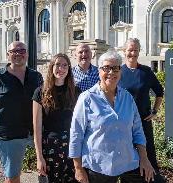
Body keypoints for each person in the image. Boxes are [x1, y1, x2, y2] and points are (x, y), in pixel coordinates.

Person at [69, 50, 155, 183]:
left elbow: (138, 130)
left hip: (128, 162)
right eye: (106, 68)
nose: (111, 72)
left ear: (120, 72)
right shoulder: (87, 98)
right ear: (99, 72)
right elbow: (76, 134)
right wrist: (78, 168)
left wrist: (144, 158)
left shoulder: (127, 97)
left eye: (115, 68)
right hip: (98, 166)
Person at [0, 41, 43, 183]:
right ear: (8, 55)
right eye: (14, 51)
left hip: (33, 132)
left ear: (27, 54)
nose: (18, 53)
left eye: (22, 51)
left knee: (45, 167)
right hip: (8, 135)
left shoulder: (36, 77)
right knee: (12, 176)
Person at [118, 38, 165, 183]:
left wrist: (155, 111)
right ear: (124, 51)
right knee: (126, 154)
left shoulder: (145, 71)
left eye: (136, 50)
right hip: (124, 122)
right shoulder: (118, 71)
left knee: (148, 153)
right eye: (130, 50)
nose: (133, 53)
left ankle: (151, 179)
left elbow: (159, 92)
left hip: (143, 121)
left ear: (139, 51)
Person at [33, 53, 81, 183]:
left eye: (65, 65)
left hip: (72, 148)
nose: (61, 68)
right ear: (51, 67)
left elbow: (82, 123)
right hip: (50, 149)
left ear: (69, 69)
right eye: (58, 64)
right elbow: (37, 128)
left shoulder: (76, 92)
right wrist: (39, 157)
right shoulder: (40, 92)